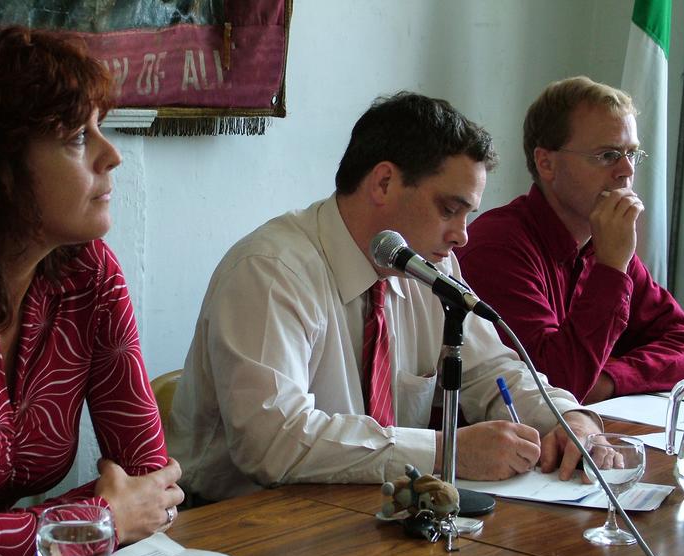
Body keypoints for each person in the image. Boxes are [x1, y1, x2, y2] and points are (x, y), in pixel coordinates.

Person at [167, 92, 601, 503]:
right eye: (449, 210)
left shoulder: (429, 268)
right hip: (234, 524)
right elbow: (273, 442)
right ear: (385, 182)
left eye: (468, 214)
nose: (462, 236)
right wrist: (445, 451)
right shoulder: (270, 270)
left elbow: (492, 373)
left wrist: (567, 419)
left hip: (370, 511)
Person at [0, 27, 184, 556]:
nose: (111, 155)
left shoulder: (89, 273)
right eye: (75, 138)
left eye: (99, 129)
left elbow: (151, 485)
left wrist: (112, 511)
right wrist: (99, 518)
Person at [456, 76, 684, 404]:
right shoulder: (498, 248)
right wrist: (612, 269)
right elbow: (552, 389)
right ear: (546, 163)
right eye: (607, 155)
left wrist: (608, 379)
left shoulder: (603, 239)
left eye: (632, 153)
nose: (626, 171)